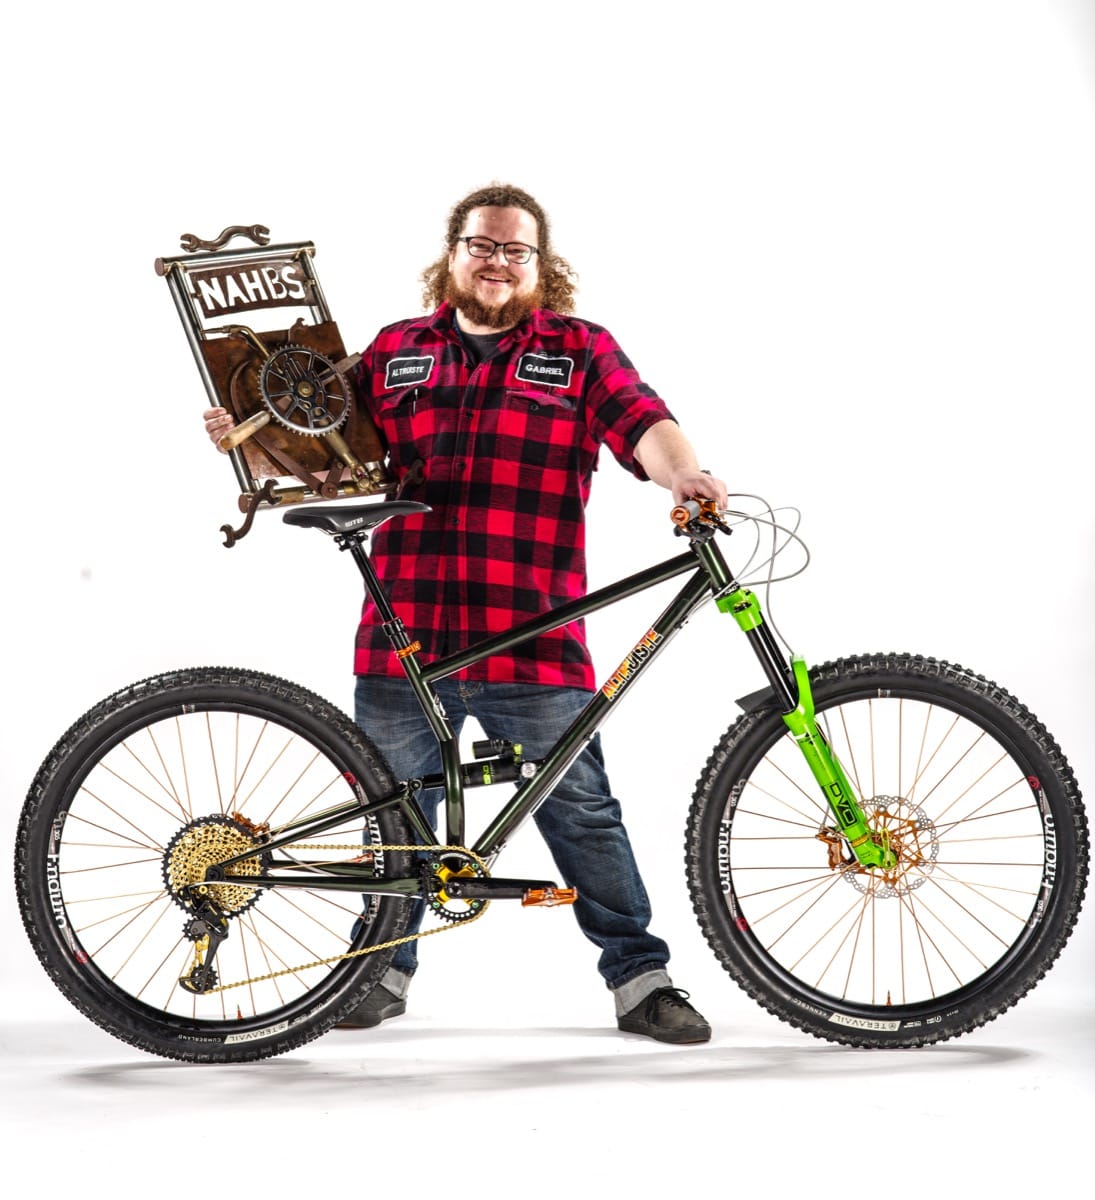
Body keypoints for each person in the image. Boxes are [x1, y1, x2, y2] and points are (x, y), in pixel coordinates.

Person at [204, 183, 728, 1044]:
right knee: (393, 818)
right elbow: (322, 449)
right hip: (405, 633)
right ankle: (380, 971)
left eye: (515, 249)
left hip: (534, 636)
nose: (497, 261)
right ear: (451, 255)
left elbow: (643, 421)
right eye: (481, 245)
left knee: (583, 811)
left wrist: (683, 474)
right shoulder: (396, 349)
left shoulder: (579, 349)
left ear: (539, 264)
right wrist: (247, 435)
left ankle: (641, 981)